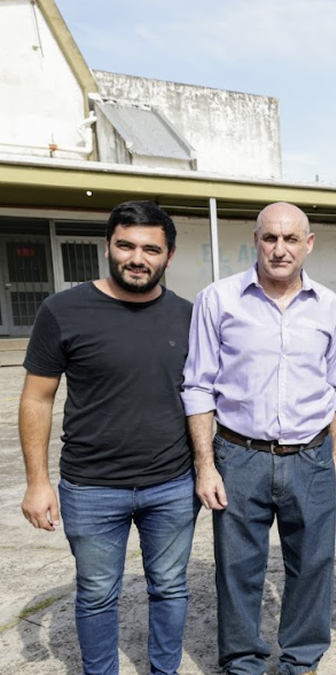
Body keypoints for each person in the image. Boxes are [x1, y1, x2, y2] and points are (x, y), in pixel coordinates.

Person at [19, 200, 197, 675]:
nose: (137, 257)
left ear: (169, 256)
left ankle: (164, 670)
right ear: (108, 246)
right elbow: (37, 398)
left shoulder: (189, 316)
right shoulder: (63, 310)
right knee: (97, 593)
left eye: (151, 249)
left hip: (172, 485)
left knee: (170, 586)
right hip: (91, 487)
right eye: (126, 245)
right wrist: (37, 481)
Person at [183, 202, 336, 675]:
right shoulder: (218, 300)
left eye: (291, 239)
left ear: (308, 244)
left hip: (311, 455)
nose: (280, 250)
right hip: (239, 455)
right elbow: (198, 385)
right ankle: (242, 663)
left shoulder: (330, 307)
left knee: (312, 565)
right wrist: (205, 464)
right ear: (255, 240)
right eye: (270, 238)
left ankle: (301, 660)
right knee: (238, 570)